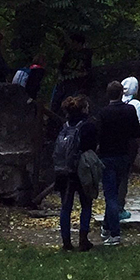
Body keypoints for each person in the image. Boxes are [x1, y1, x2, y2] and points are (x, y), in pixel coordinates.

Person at [95, 80, 140, 247]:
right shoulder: (129, 110)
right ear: (122, 93)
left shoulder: (103, 113)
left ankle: (114, 232)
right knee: (116, 193)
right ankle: (107, 227)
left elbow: (97, 136)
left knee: (110, 196)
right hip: (123, 155)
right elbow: (137, 132)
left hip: (107, 156)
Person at [54, 95, 98, 251]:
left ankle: (66, 241)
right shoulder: (88, 126)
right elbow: (92, 146)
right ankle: (83, 239)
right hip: (81, 169)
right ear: (83, 109)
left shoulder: (64, 126)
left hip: (64, 170)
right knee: (86, 204)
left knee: (66, 207)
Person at [117, 76, 140, 221]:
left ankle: (113, 206)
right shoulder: (135, 104)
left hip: (113, 143)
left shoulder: (115, 103)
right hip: (128, 144)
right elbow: (136, 125)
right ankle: (119, 207)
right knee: (123, 176)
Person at [50, 32, 92, 114]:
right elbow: (61, 66)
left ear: (79, 43)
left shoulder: (86, 54)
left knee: (70, 101)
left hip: (77, 83)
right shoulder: (68, 53)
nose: (72, 45)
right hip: (64, 80)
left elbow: (87, 68)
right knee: (56, 101)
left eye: (74, 42)